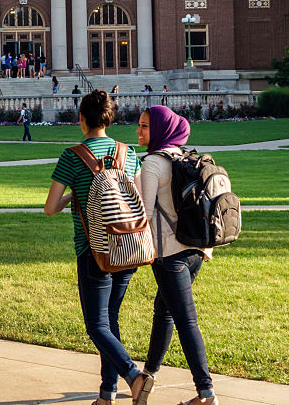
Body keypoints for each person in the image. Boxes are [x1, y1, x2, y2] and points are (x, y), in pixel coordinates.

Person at [44, 90, 152, 405]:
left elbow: (51, 207)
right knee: (110, 319)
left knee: (96, 325)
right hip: (130, 246)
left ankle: (135, 377)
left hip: (93, 250)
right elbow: (140, 196)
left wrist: (72, 196)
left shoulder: (72, 156)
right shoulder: (127, 152)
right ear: (108, 119)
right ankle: (107, 394)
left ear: (81, 120)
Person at [135, 106, 217, 405]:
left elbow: (141, 214)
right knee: (164, 310)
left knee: (186, 321)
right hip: (197, 250)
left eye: (144, 126)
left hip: (170, 255)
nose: (138, 131)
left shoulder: (154, 163)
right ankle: (148, 375)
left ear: (158, 130)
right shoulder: (184, 156)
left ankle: (206, 393)